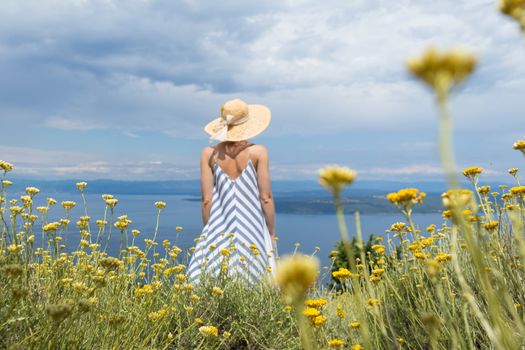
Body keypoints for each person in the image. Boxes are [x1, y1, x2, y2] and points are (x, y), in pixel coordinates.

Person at [186, 98, 277, 285]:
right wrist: (271, 232)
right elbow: (266, 197)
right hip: (252, 226)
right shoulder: (259, 152)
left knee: (211, 281)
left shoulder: (208, 154)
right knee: (256, 281)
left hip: (219, 226)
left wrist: (208, 231)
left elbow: (206, 200)